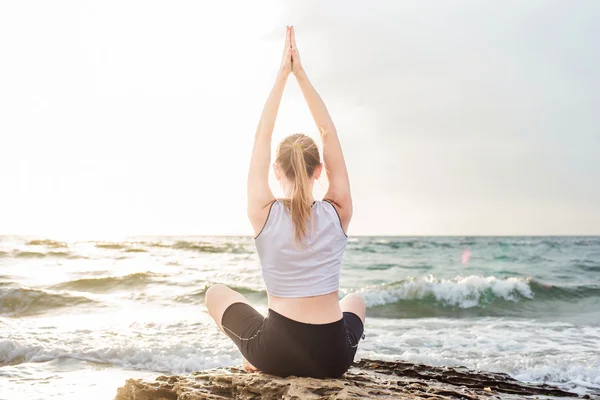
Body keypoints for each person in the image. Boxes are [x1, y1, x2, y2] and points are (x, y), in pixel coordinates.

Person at [205, 26, 365, 379]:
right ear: (319, 169)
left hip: (275, 352)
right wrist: (302, 76)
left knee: (215, 292)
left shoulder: (262, 212)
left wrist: (283, 75)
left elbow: (263, 134)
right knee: (355, 302)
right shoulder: (338, 210)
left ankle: (254, 360)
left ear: (276, 170)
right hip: (333, 358)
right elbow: (329, 133)